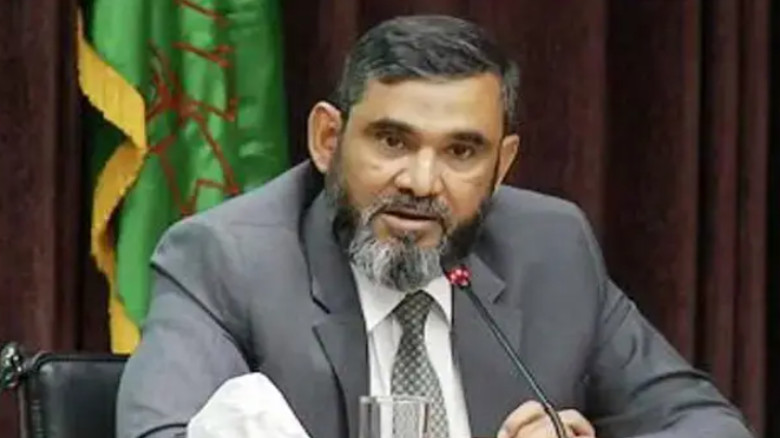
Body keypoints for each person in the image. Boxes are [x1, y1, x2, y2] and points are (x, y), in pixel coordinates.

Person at [116, 15, 753, 438]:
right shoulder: (227, 259)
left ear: (501, 166)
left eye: (461, 151)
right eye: (392, 141)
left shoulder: (552, 249)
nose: (422, 182)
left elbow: (705, 424)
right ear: (328, 139)